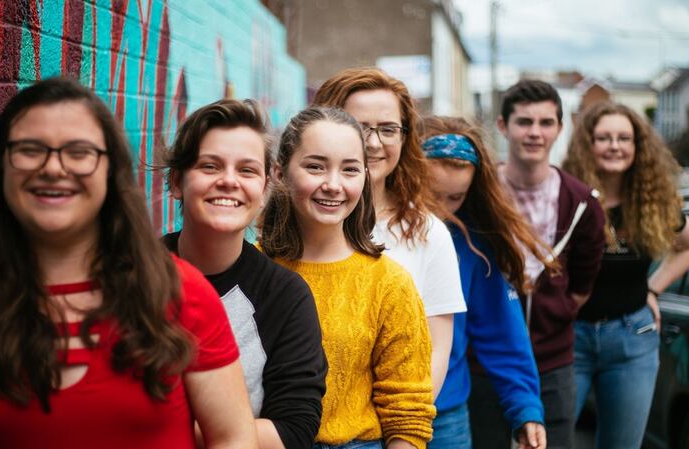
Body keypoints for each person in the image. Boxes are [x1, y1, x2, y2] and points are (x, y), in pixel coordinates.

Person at [0, 77, 256, 449]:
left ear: (110, 171)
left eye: (79, 152)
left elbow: (233, 438)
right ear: (1, 166)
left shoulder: (182, 292)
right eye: (30, 150)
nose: (53, 168)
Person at [259, 107, 435, 449]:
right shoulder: (251, 269)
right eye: (315, 166)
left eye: (350, 169)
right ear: (280, 173)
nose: (333, 185)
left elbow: (408, 413)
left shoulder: (389, 283)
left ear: (365, 177)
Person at [162, 98, 328, 449]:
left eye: (247, 170)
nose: (228, 181)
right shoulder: (129, 277)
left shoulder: (285, 296)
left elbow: (294, 430)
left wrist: (161, 428)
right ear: (177, 182)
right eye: (210, 166)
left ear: (265, 190)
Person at [312, 68, 465, 398]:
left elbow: (436, 352)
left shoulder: (429, 233)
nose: (373, 142)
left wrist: (403, 423)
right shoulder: (296, 227)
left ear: (404, 137)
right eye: (359, 127)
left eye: (388, 129)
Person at [562, 101, 689, 449]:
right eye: (604, 138)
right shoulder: (567, 196)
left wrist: (653, 289)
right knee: (549, 441)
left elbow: (688, 246)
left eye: (624, 138)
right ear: (587, 144)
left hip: (632, 337)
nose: (614, 146)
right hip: (569, 336)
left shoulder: (653, 201)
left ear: (638, 147)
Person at [477, 79, 606, 449]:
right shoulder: (479, 194)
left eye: (546, 122)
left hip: (552, 362)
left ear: (560, 129)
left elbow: (582, 285)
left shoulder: (582, 203)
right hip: (484, 361)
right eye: (524, 122)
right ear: (503, 126)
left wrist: (556, 312)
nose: (535, 132)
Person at [420, 115, 549, 449]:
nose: (442, 210)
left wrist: (525, 406)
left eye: (455, 197)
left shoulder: (474, 244)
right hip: (372, 416)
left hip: (445, 416)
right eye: (431, 195)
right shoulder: (374, 229)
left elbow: (502, 330)